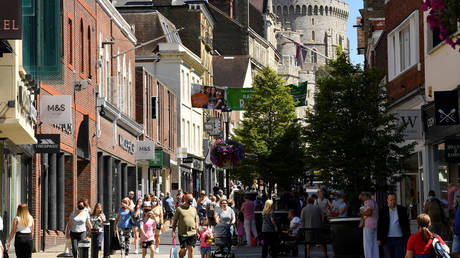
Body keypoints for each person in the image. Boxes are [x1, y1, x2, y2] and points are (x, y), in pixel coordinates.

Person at [377, 193, 410, 258]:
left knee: (399, 256)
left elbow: (406, 224)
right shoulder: (383, 211)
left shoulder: (402, 209)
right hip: (387, 239)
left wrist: (408, 237)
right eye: (391, 200)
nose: (393, 201)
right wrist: (379, 238)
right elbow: (379, 225)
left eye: (394, 200)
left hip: (399, 238)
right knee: (388, 256)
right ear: (387, 200)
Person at [172, 194, 199, 258]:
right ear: (185, 199)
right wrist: (173, 231)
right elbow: (175, 221)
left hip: (192, 232)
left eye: (192, 199)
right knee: (183, 250)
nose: (191, 201)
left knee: (191, 249)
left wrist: (197, 231)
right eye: (190, 199)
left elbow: (196, 220)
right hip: (182, 233)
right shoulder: (179, 209)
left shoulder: (194, 209)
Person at [359, 192, 379, 258]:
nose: (363, 200)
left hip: (368, 225)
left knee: (367, 244)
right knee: (374, 243)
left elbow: (369, 212)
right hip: (375, 224)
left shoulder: (368, 202)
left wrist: (362, 212)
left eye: (362, 198)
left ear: (365, 196)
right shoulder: (374, 202)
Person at [452, 192, 460, 258]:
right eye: (457, 196)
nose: (458, 198)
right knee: (454, 252)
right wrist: (453, 225)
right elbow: (456, 218)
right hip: (457, 234)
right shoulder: (458, 206)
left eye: (459, 196)